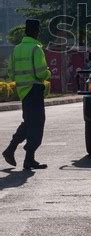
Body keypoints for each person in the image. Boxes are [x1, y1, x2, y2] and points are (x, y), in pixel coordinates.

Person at [2, 19, 51, 170]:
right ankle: (27, 157)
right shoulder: (36, 49)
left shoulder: (17, 49)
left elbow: (11, 74)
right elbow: (41, 72)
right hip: (35, 90)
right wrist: (48, 73)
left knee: (29, 123)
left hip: (23, 92)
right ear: (36, 32)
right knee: (37, 124)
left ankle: (12, 151)